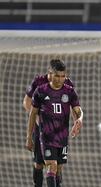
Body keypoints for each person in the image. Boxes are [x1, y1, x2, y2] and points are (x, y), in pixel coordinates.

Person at [25, 59, 83, 187]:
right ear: (49, 73)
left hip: (60, 132)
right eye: (56, 75)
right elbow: (27, 103)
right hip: (42, 128)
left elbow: (73, 106)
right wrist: (38, 120)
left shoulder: (67, 85)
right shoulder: (39, 83)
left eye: (63, 76)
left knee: (57, 166)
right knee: (40, 163)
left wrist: (76, 121)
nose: (60, 79)